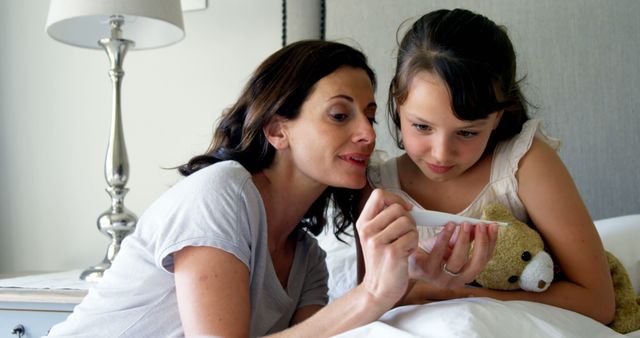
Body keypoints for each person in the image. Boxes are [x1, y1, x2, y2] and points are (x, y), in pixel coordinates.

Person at [46, 40, 480, 338]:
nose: (368, 134)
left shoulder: (309, 260)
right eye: (339, 115)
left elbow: (320, 330)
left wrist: (405, 287)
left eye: (369, 116)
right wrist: (370, 295)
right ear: (276, 130)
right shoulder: (221, 193)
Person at [361, 8, 616, 324]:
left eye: (467, 132)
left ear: (499, 117)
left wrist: (452, 294)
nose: (441, 154)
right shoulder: (377, 187)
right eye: (422, 127)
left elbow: (599, 302)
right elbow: (369, 301)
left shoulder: (523, 166)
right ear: (398, 105)